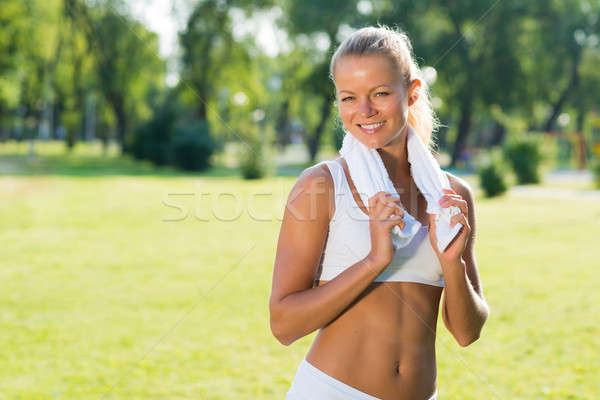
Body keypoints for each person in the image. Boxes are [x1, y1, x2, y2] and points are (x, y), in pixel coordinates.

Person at [269, 26, 489, 400]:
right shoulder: (320, 186)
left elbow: (467, 333)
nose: (364, 111)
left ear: (412, 92)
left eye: (381, 93)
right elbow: (283, 324)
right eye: (349, 98)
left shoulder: (451, 196)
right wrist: (375, 260)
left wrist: (453, 264)